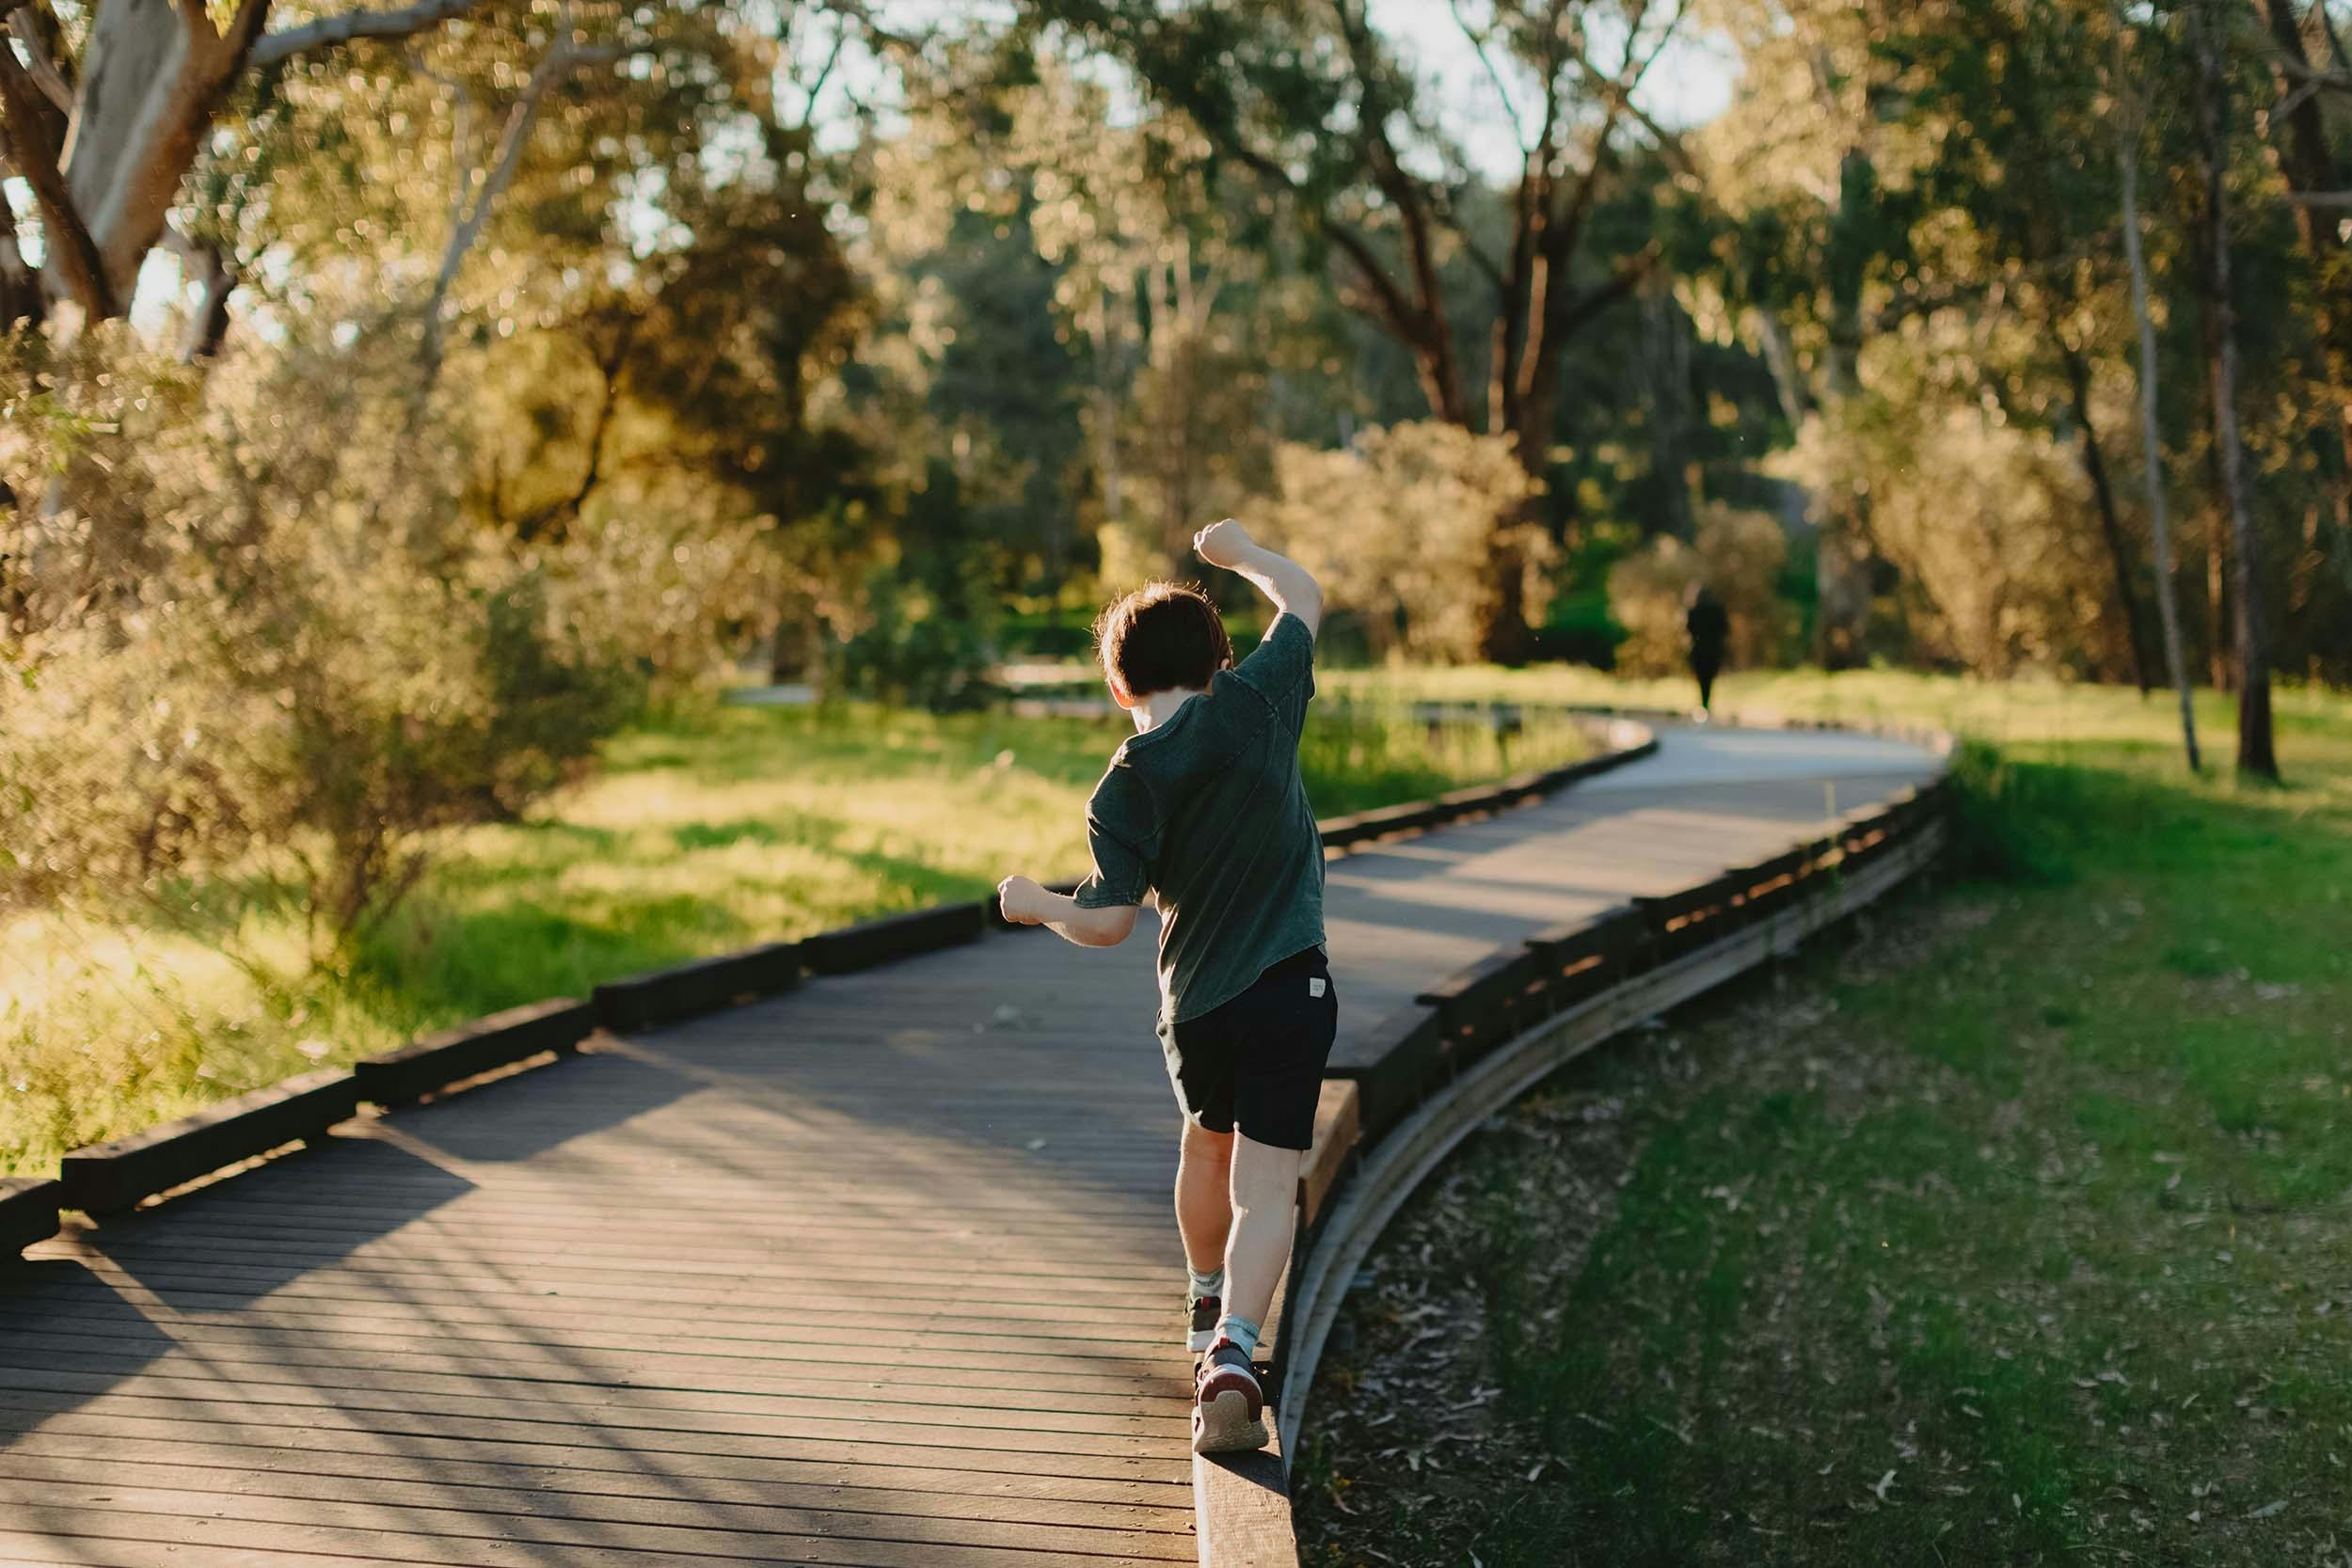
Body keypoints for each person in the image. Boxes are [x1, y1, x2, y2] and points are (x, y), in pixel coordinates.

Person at [995, 518, 1333, 1457]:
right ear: (1222, 661)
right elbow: (1302, 599)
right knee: (1270, 1186)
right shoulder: (1256, 701)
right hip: (1290, 983)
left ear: (1117, 686)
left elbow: (1106, 922)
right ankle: (1233, 1353)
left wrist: (1037, 902)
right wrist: (1244, 554)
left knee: (1205, 1146)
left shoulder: (1122, 784)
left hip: (1199, 1004)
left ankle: (1201, 1298)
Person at [1685, 584, 1730, 717]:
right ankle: (1706, 704)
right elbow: (1725, 629)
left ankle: (1704, 705)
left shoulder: (1693, 611)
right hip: (1714, 651)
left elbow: (1688, 630)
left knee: (1701, 679)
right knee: (1709, 679)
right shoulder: (1718, 611)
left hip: (1699, 650)